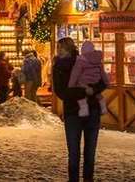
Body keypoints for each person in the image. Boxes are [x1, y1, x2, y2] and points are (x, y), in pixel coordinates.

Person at [53, 37, 107, 182]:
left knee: (90, 153)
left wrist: (93, 89)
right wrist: (85, 92)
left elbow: (102, 81)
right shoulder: (58, 66)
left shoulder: (85, 59)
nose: (58, 51)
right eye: (57, 48)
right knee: (74, 154)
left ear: (69, 49)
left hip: (92, 111)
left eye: (61, 48)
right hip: (72, 113)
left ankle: (88, 179)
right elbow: (61, 92)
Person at [68, 41, 109, 117]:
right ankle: (103, 107)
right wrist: (106, 82)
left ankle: (84, 109)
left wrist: (71, 84)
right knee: (98, 95)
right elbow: (103, 73)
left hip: (84, 82)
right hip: (95, 81)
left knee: (82, 96)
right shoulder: (98, 61)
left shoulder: (80, 61)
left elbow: (75, 73)